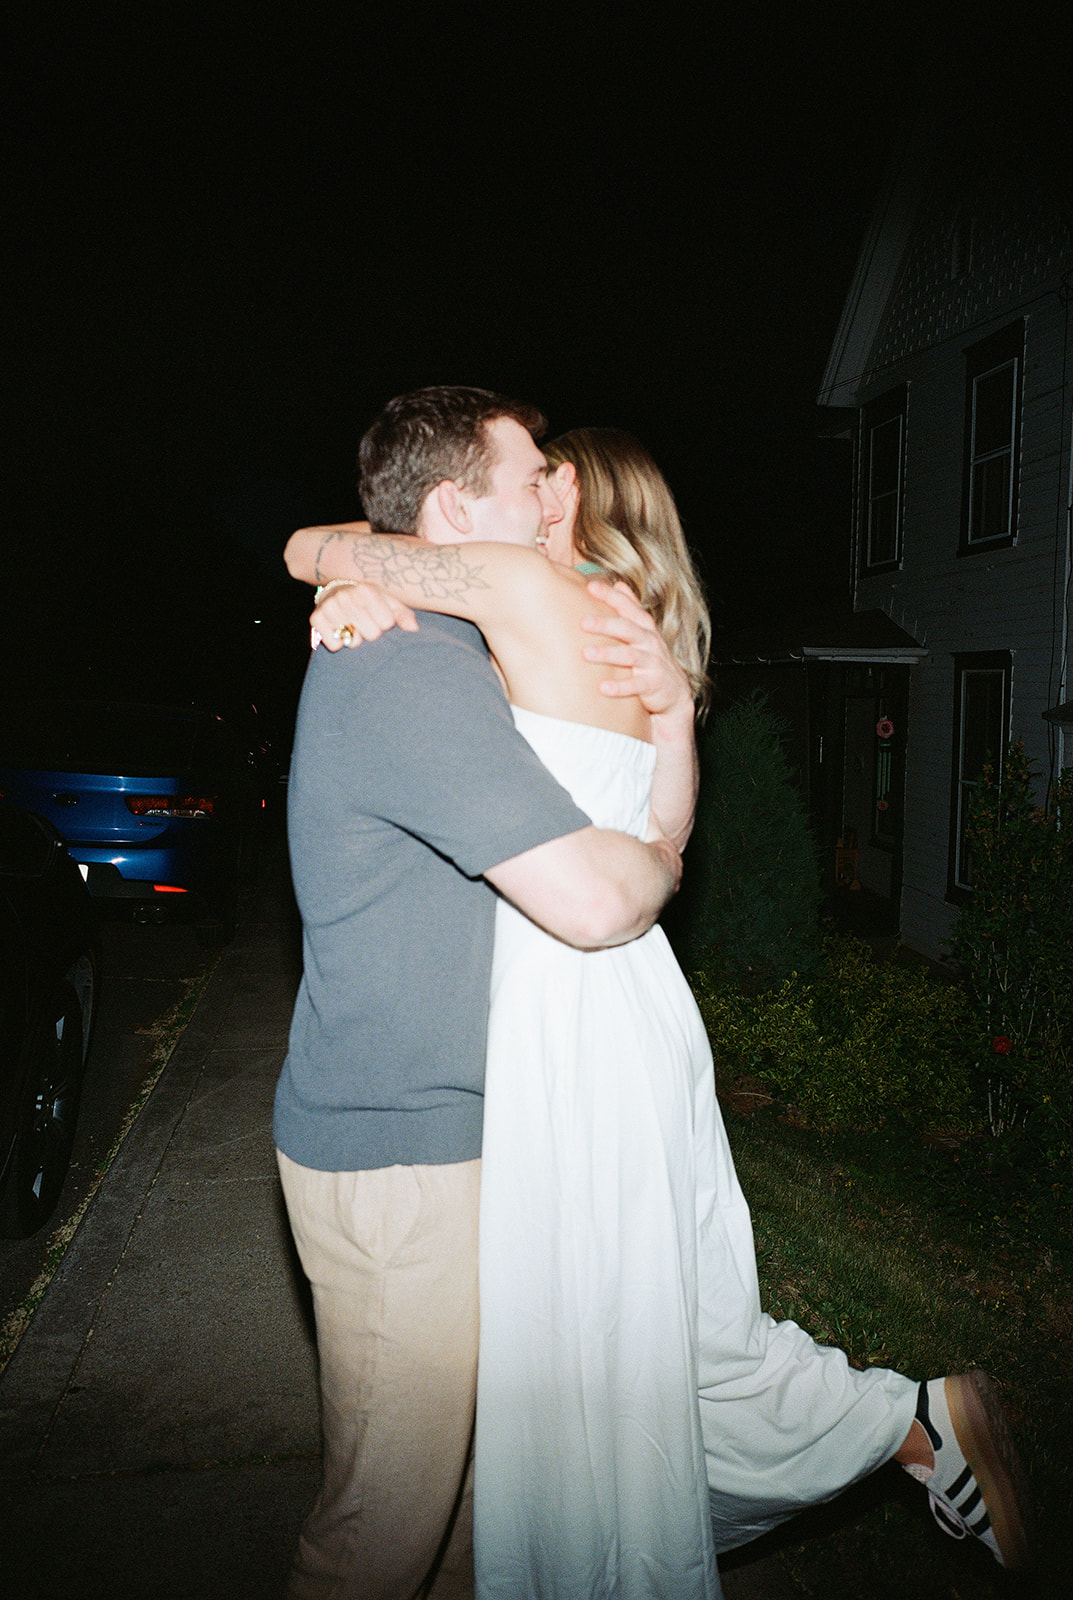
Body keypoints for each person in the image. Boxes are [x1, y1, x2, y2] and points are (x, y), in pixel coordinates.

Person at [296, 426, 1034, 1596]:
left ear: (570, 499)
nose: (541, 478)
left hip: (571, 1008)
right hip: (638, 1001)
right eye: (526, 464)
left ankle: (885, 1433)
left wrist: (342, 574)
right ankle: (900, 1426)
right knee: (658, 1327)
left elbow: (310, 542)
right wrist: (672, 749)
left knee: (611, 1339)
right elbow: (669, 834)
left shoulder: (532, 590)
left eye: (549, 468)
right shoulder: (623, 621)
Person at [275, 387, 696, 1600]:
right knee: (378, 1532)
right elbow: (586, 898)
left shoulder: (455, 647)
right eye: (529, 482)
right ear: (455, 510)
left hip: (462, 1137)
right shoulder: (412, 669)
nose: (551, 497)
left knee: (462, 1521)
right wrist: (662, 865)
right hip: (399, 1154)